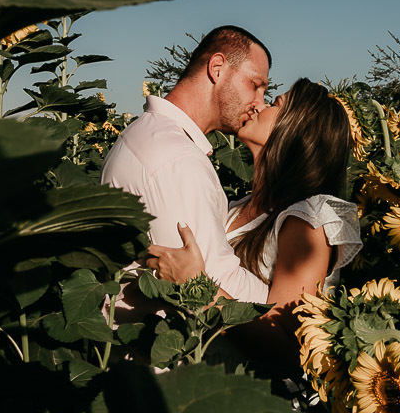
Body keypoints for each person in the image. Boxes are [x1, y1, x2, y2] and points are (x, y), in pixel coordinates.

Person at [146, 78, 362, 363]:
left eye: (274, 103)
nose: (258, 103)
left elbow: (287, 342)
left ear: (297, 130)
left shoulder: (307, 221)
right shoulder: (237, 208)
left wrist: (196, 287)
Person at [101, 25, 273, 305]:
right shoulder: (177, 159)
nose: (258, 103)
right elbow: (215, 278)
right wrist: (290, 314)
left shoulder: (148, 135)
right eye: (255, 85)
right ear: (217, 68)